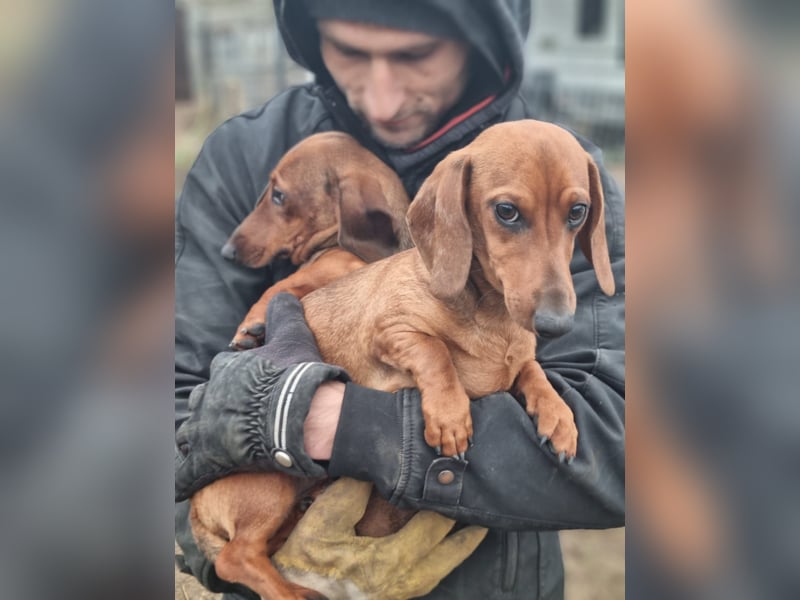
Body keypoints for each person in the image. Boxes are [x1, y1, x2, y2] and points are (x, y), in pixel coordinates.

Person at [175, 1, 625, 598]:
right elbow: (166, 405)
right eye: (349, 51)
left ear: (483, 40)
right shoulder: (243, 157)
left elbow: (614, 452)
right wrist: (224, 550)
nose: (382, 99)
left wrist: (352, 429)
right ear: (311, 38)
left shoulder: (567, 172)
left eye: (415, 55)